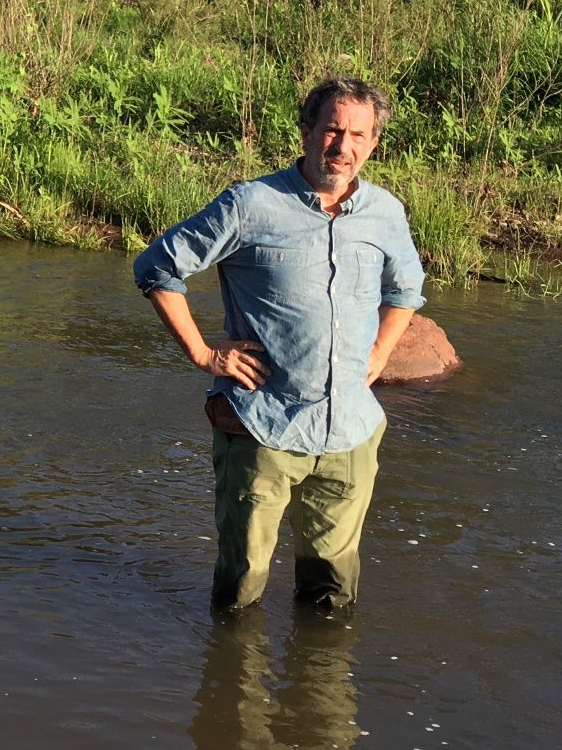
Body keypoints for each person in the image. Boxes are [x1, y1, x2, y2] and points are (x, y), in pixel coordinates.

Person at [133, 76, 425, 613]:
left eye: (358, 135)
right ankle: (229, 689)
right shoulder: (250, 205)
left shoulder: (386, 212)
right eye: (332, 130)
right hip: (263, 429)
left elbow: (405, 291)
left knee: (332, 599)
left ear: (374, 142)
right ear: (307, 132)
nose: (344, 147)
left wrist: (381, 354)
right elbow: (157, 266)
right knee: (241, 590)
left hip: (351, 433)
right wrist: (203, 353)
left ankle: (319, 694)